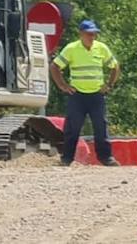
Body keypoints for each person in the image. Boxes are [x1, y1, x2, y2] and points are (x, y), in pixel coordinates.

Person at [51, 19, 121, 166]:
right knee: (72, 128)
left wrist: (109, 85)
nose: (92, 37)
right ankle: (67, 158)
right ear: (81, 34)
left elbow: (114, 67)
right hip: (77, 95)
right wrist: (63, 85)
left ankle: (106, 158)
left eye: (94, 34)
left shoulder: (101, 48)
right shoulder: (71, 48)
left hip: (96, 95)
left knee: (100, 126)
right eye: (89, 34)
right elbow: (55, 66)